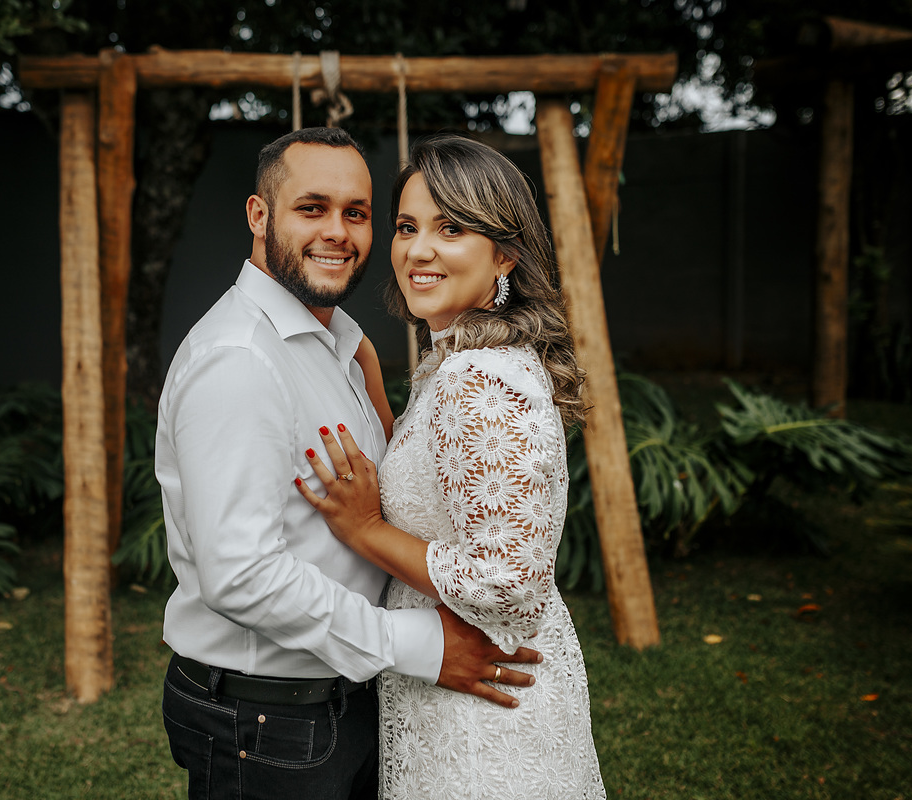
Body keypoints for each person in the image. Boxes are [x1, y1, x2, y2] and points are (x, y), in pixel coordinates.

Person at [155, 127, 541, 800]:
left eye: (356, 213)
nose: (338, 231)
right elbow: (241, 575)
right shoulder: (240, 362)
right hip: (269, 720)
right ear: (258, 215)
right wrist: (420, 645)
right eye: (312, 208)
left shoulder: (337, 345)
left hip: (338, 701)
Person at [296, 134, 608, 799]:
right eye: (407, 227)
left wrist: (364, 531)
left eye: (451, 227)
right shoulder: (454, 362)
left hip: (485, 717)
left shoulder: (479, 378)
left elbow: (509, 580)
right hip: (453, 691)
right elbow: (441, 487)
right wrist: (379, 395)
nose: (417, 250)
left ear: (504, 253)